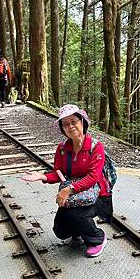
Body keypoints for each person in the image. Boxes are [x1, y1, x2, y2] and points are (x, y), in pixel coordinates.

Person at [22, 104, 110, 258]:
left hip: (97, 195)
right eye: (65, 124)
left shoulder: (96, 147)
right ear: (62, 129)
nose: (70, 126)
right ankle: (79, 230)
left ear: (82, 122)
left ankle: (97, 239)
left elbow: (93, 177)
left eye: (74, 121)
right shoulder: (62, 148)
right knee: (61, 231)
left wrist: (67, 190)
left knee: (76, 215)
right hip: (74, 195)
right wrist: (43, 176)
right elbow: (59, 173)